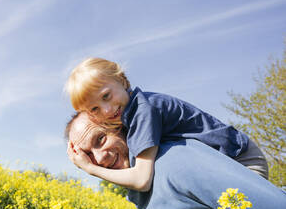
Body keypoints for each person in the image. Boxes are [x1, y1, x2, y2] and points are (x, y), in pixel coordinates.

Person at [65, 57, 268, 192]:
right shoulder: (132, 112)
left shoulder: (144, 111)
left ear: (122, 79)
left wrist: (90, 169)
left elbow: (142, 181)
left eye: (106, 96)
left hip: (242, 161)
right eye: (94, 110)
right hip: (224, 169)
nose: (107, 110)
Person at [65, 112, 286, 209]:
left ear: (119, 126)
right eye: (87, 156)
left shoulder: (173, 161)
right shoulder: (140, 186)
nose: (100, 158)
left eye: (100, 139)